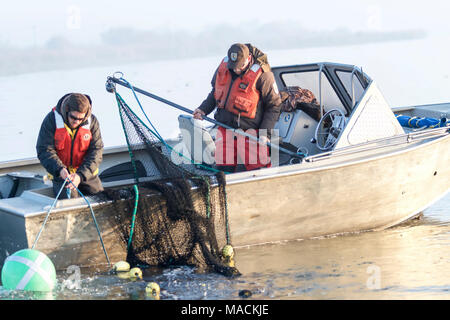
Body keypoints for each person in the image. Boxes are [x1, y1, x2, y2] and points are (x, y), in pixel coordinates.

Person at [193, 43, 281, 172]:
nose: (236, 70)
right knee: (223, 170)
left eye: (241, 66)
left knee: (259, 171)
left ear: (249, 58)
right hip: (225, 129)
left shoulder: (264, 75)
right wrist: (203, 109)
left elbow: (274, 106)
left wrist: (265, 133)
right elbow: (215, 92)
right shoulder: (223, 68)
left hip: (252, 133)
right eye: (233, 67)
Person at [36, 93, 104, 199]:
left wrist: (80, 175)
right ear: (66, 110)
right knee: (70, 203)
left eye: (80, 119)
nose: (76, 121)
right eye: (73, 117)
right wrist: (60, 170)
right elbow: (44, 150)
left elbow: (97, 151)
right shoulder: (51, 120)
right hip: (63, 175)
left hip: (87, 174)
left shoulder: (92, 122)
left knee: (102, 199)